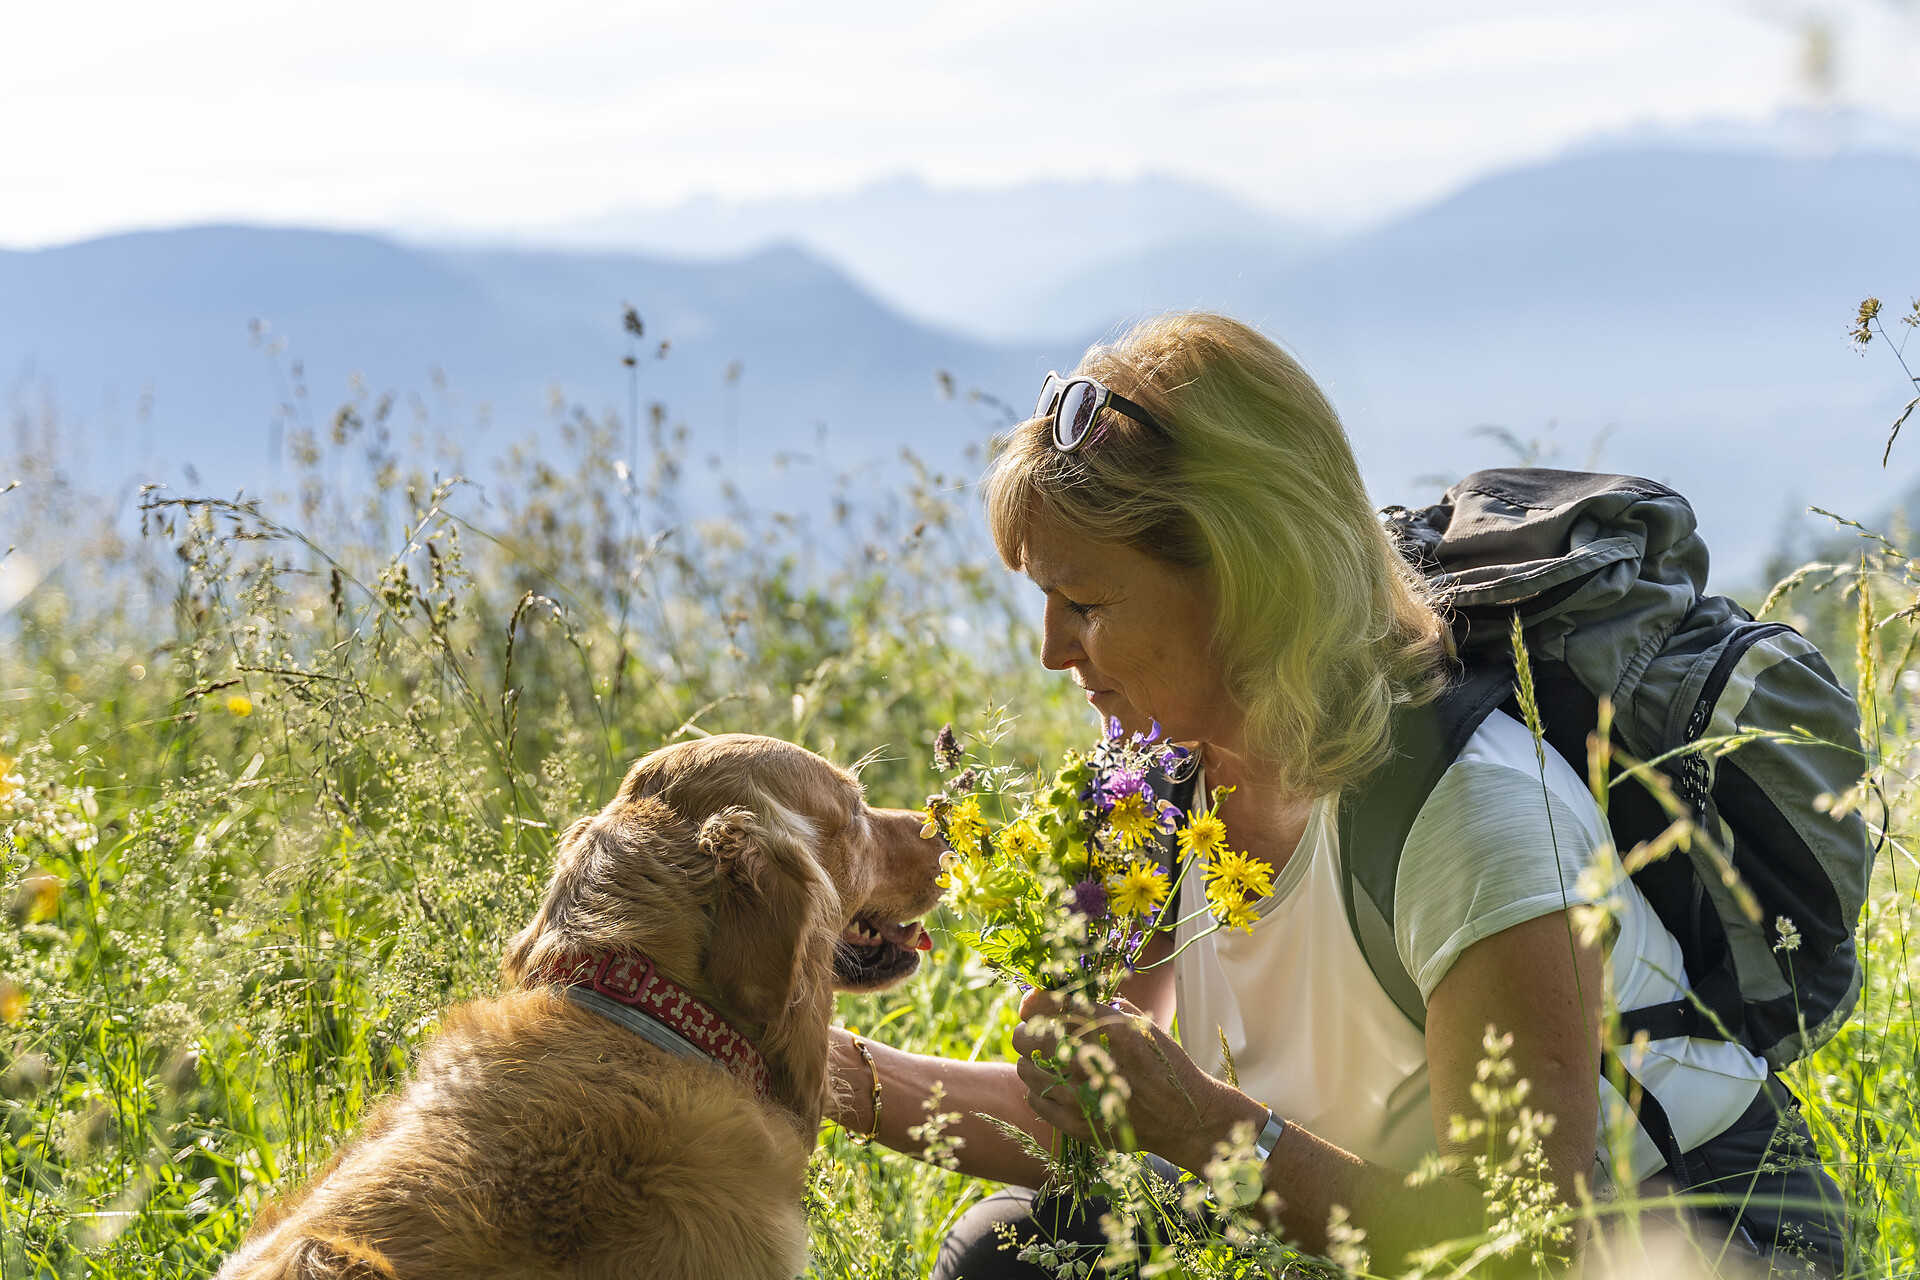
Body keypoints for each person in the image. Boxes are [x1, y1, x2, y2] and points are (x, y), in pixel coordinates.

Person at [826, 312, 1846, 1277]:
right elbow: (1074, 1120)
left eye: (1085, 603)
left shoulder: (1470, 812)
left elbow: (1515, 1243)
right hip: (1362, 1223)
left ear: (1245, 578)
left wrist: (1198, 1124)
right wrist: (790, 1050)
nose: (1051, 650)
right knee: (1016, 1250)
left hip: (1672, 1236)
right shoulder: (1153, 786)